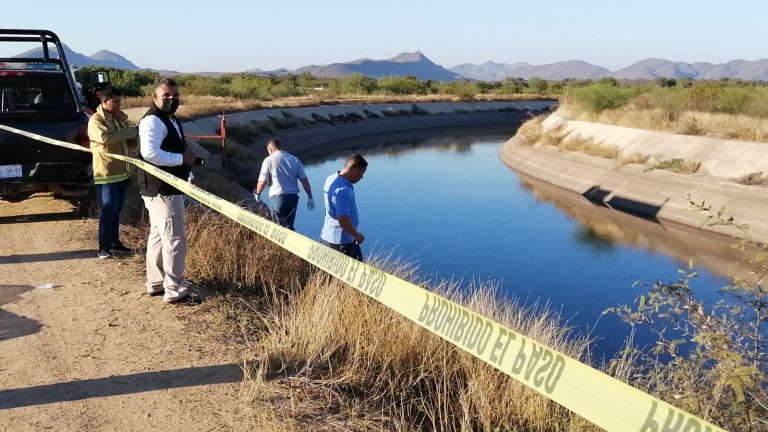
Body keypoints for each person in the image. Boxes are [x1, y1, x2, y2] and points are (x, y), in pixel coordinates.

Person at [137, 78, 204, 304]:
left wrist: (189, 174)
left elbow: (179, 148)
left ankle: (156, 283)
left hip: (167, 186)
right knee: (175, 238)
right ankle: (175, 290)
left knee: (158, 235)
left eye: (175, 95)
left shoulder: (169, 118)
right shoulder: (153, 121)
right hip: (162, 189)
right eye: (166, 96)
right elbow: (150, 153)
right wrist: (182, 159)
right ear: (154, 97)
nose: (172, 99)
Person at [87, 87, 138, 259]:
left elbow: (128, 143)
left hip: (123, 171)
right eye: (115, 101)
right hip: (107, 173)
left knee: (117, 209)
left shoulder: (119, 118)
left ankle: (115, 242)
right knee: (108, 209)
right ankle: (103, 246)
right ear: (104, 102)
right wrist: (130, 132)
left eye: (119, 101)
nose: (119, 104)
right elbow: (105, 140)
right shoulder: (96, 120)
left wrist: (134, 136)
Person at [253, 139, 314, 230]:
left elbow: (262, 182)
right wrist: (310, 197)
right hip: (293, 197)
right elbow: (304, 180)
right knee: (289, 226)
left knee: (278, 228)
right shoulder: (294, 159)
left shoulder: (268, 160)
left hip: (278, 197)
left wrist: (257, 194)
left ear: (270, 150)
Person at [320, 154, 368, 261]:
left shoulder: (331, 178)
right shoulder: (343, 190)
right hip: (341, 243)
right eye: (362, 172)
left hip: (329, 238)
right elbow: (343, 219)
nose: (362, 177)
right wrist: (357, 235)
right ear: (355, 170)